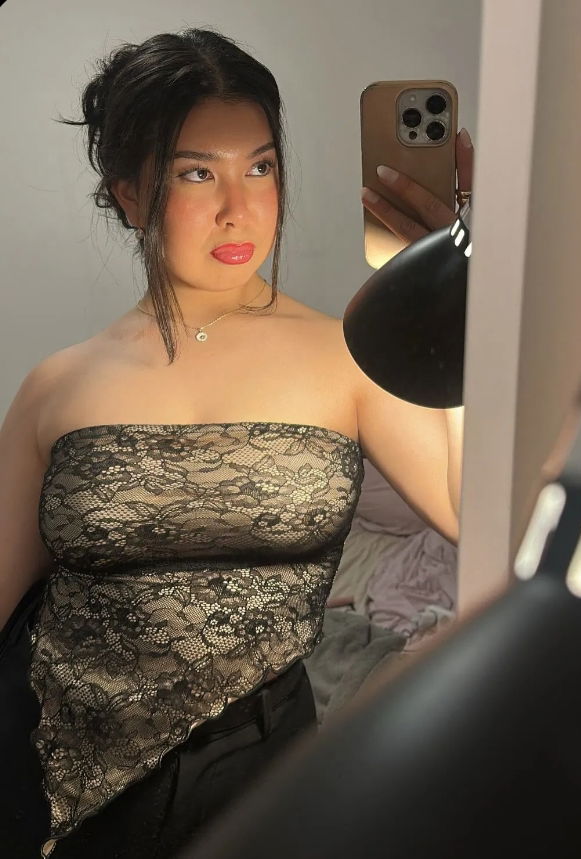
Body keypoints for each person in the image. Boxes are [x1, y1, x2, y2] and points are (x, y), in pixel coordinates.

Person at [0, 26, 473, 859]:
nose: (238, 206)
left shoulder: (352, 353)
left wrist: (459, 296)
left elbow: (481, 511)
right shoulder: (56, 385)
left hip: (258, 779)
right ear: (129, 194)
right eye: (196, 173)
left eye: (260, 167)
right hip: (48, 786)